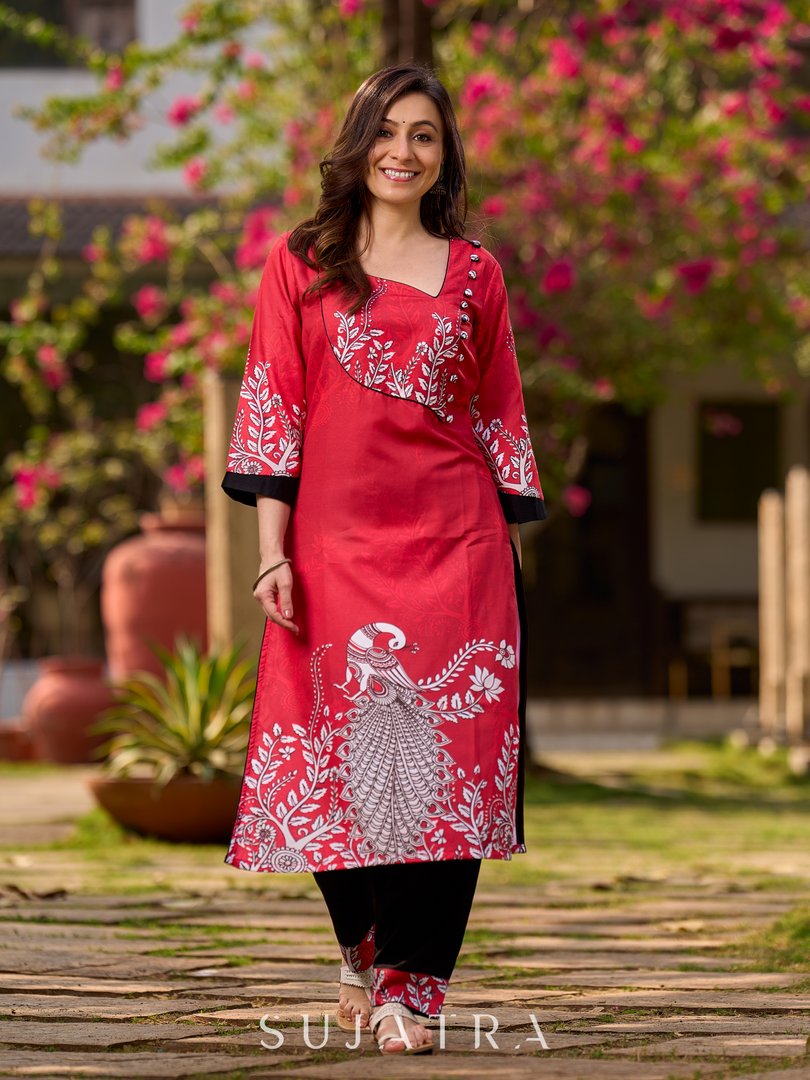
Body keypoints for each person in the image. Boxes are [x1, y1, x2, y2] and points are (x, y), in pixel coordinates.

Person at [221, 61, 546, 1056]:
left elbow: (498, 411)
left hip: (458, 549)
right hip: (332, 551)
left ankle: (416, 985)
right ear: (358, 143)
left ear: (443, 159)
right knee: (328, 763)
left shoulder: (475, 271)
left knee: (453, 769)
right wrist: (271, 553)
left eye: (425, 137)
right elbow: (275, 402)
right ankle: (369, 947)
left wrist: (505, 542)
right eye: (389, 131)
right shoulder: (304, 261)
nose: (403, 153)